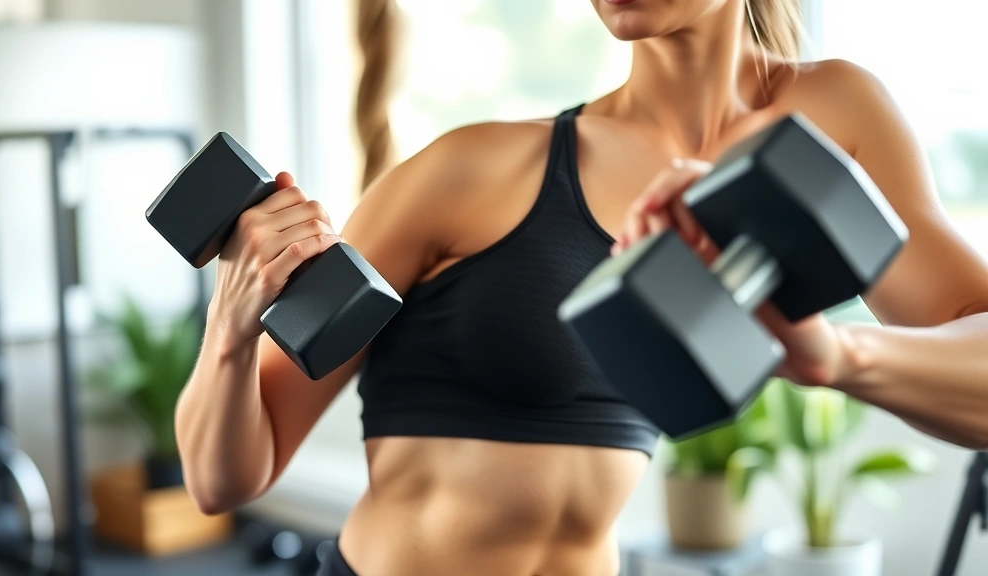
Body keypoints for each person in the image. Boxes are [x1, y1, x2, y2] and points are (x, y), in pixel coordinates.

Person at [175, 0, 988, 575]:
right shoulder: (466, 170)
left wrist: (835, 357)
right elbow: (226, 480)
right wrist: (232, 325)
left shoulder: (831, 111)